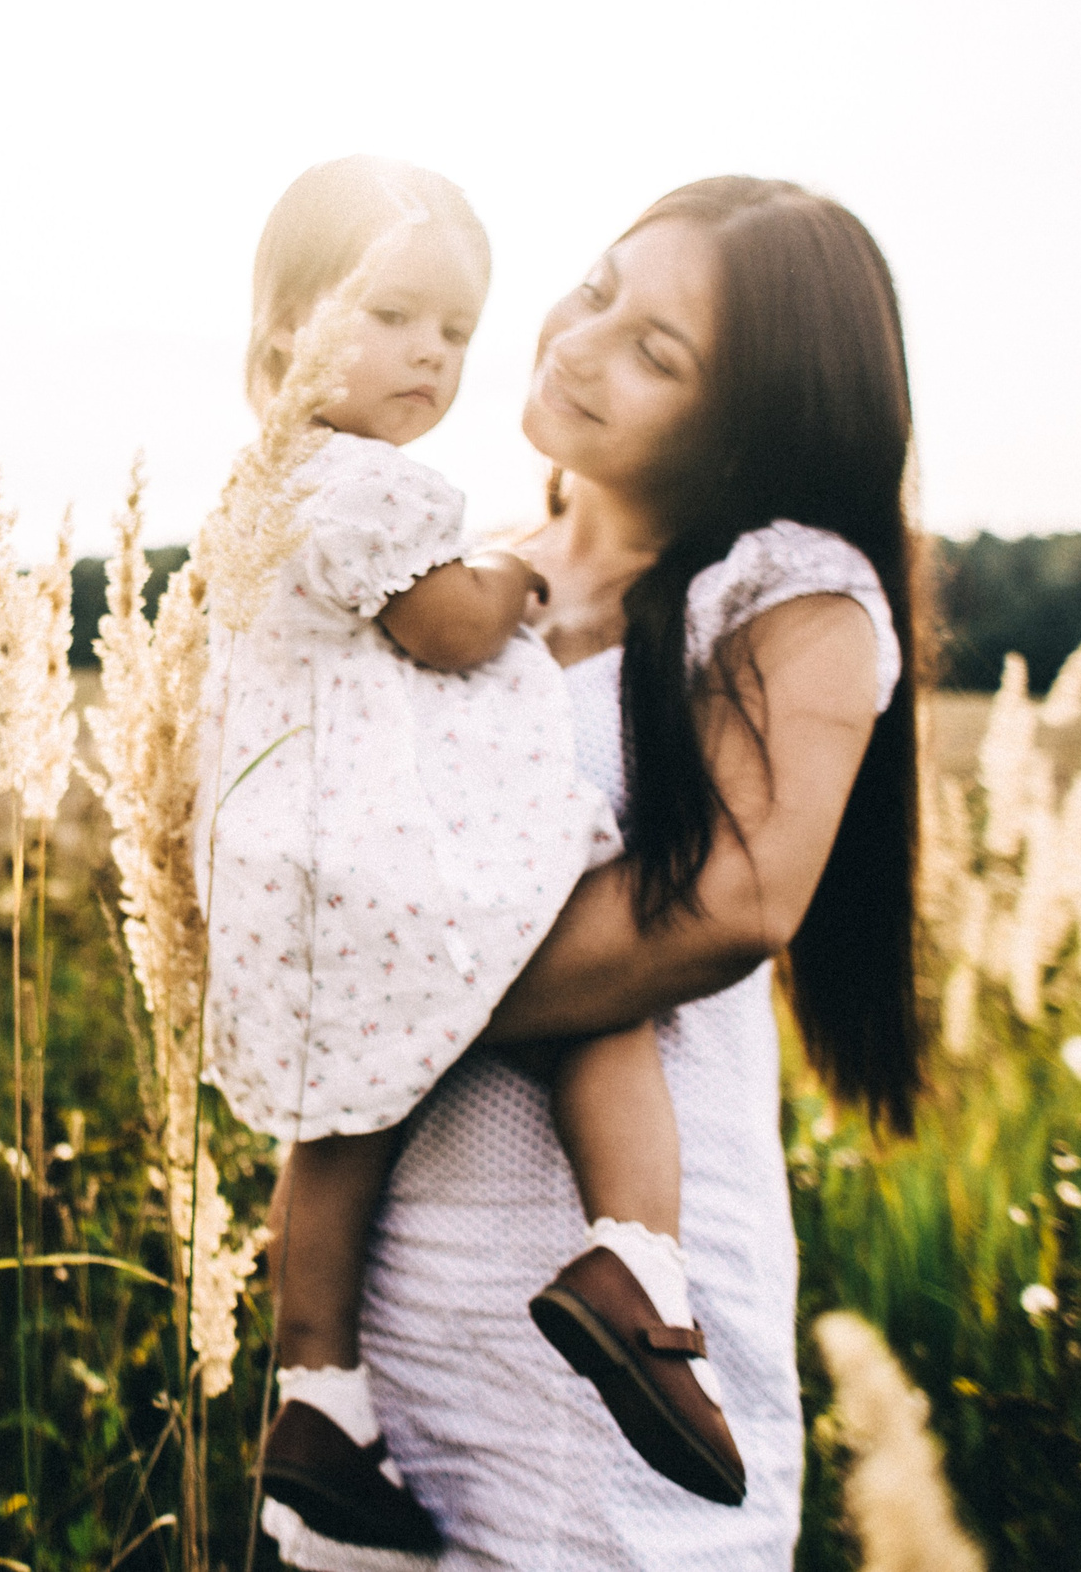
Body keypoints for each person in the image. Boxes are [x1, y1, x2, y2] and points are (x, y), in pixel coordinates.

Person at [269, 176, 926, 1571]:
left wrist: (373, 1003)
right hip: (406, 1280)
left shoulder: (785, 591)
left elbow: (729, 905)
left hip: (616, 1310)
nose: (580, 340)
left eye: (657, 351)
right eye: (598, 289)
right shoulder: (450, 574)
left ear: (755, 417)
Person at [195, 157, 749, 1558]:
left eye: (454, 327)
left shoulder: (253, 495)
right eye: (393, 315)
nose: (433, 354)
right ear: (283, 341)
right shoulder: (366, 492)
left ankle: (318, 1393)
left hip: (293, 861)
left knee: (343, 1121)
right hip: (389, 848)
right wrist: (512, 584)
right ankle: (637, 1256)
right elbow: (438, 627)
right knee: (597, 977)